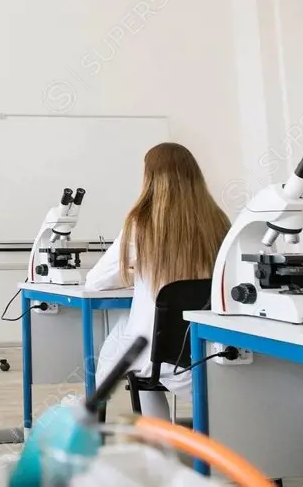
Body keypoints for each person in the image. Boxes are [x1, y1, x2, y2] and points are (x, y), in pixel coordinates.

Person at [84, 142, 230, 420]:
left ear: (150, 179)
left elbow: (96, 281)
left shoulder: (143, 224)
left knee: (120, 336)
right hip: (207, 354)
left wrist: (135, 272)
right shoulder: (219, 221)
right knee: (135, 342)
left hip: (158, 357)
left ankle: (93, 415)